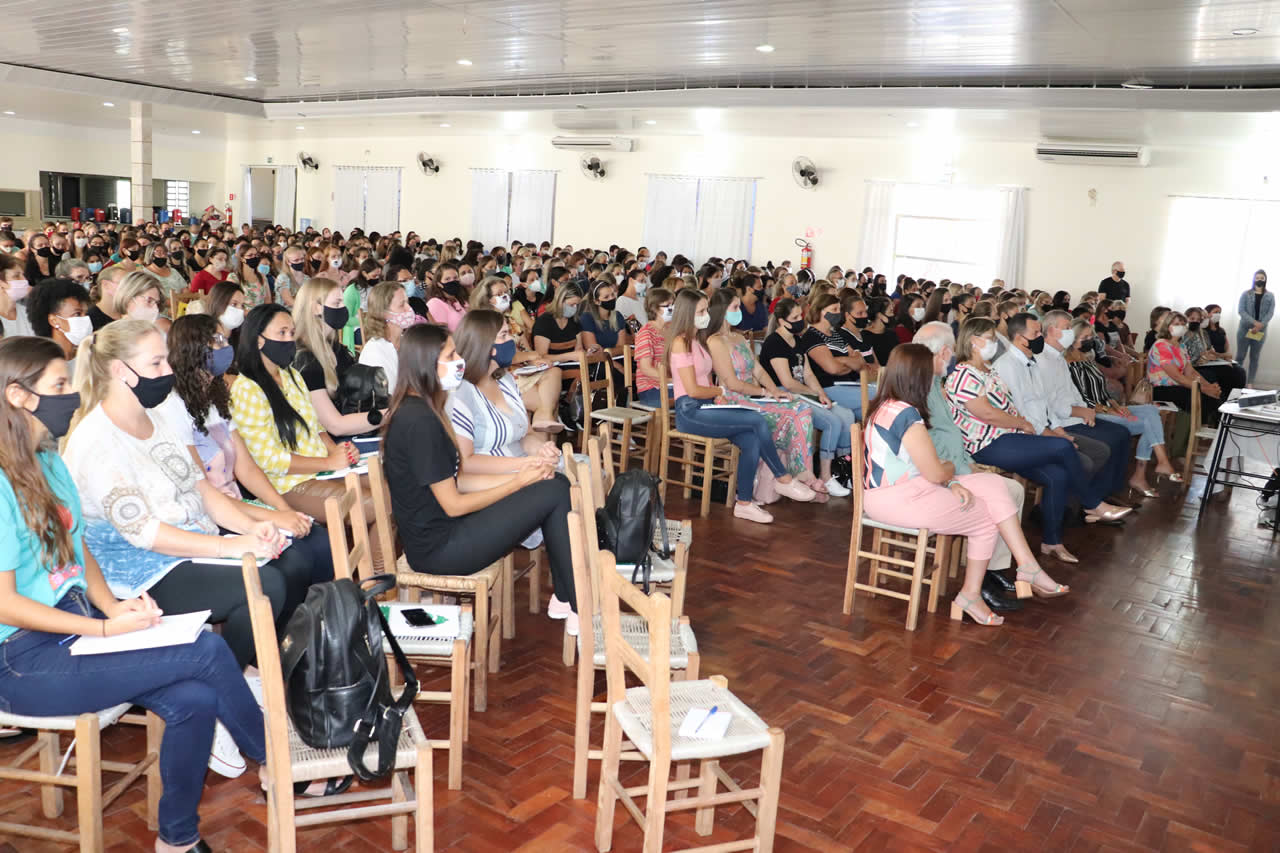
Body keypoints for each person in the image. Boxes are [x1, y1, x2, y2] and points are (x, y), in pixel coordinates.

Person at [0, 335, 266, 853]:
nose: (72, 398)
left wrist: (111, 606)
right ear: (18, 396)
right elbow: (5, 603)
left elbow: (81, 554)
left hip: (74, 628)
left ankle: (178, 840)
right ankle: (281, 763)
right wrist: (102, 628)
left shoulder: (47, 460)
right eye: (59, 386)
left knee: (194, 697)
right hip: (20, 658)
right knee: (207, 650)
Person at [62, 319, 307, 778]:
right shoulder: (95, 440)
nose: (167, 371)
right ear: (119, 371)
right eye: (155, 363)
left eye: (166, 360)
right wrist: (235, 549)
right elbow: (146, 533)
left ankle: (232, 682)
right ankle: (219, 699)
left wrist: (250, 533)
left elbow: (203, 493)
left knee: (287, 563)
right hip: (140, 573)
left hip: (187, 547)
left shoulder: (153, 418)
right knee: (263, 583)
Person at [382, 323, 581, 633]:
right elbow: (454, 505)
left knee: (553, 484)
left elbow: (457, 481)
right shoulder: (419, 420)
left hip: (446, 533)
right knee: (555, 490)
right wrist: (518, 483)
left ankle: (570, 600)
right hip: (441, 549)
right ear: (426, 363)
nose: (459, 360)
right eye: (450, 355)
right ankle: (578, 605)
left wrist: (525, 474)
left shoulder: (421, 409)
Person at [862, 344, 1067, 627]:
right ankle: (972, 594)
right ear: (919, 378)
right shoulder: (907, 415)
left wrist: (948, 479)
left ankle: (1027, 566)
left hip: (896, 492)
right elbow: (935, 470)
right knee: (985, 517)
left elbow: (927, 470)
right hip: (902, 498)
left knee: (993, 484)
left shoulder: (885, 406)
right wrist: (947, 476)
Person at [159, 314, 335, 587]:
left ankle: (318, 619)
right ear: (192, 348)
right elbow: (204, 492)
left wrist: (284, 509)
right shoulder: (174, 407)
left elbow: (246, 468)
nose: (225, 347)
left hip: (237, 502)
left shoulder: (214, 400)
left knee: (317, 541)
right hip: (211, 513)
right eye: (217, 341)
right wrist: (275, 517)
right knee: (293, 563)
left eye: (225, 340)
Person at [945, 317, 1131, 563]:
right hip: (986, 444)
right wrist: (1023, 423)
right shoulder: (964, 374)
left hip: (1009, 438)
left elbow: (1010, 406)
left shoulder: (987, 370)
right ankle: (1091, 503)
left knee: (1057, 475)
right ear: (973, 341)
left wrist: (1024, 424)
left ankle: (1052, 542)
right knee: (1063, 447)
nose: (993, 343)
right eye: (989, 338)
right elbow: (986, 413)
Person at [228, 305, 382, 567]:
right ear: (259, 340)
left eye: (292, 332)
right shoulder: (247, 388)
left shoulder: (292, 376)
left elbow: (316, 427)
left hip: (321, 470)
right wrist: (327, 463)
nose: (289, 340)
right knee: (378, 504)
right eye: (282, 333)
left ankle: (379, 576)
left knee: (392, 491)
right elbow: (266, 459)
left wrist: (337, 451)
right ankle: (375, 582)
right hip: (286, 484)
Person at [668, 288, 817, 524]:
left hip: (708, 406)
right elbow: (693, 390)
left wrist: (718, 396)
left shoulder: (698, 341)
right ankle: (783, 478)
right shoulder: (680, 343)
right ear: (688, 313)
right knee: (756, 420)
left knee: (753, 439)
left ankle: (744, 503)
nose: (707, 314)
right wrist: (720, 391)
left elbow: (705, 379)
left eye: (706, 309)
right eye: (702, 311)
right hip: (690, 411)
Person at [913, 322, 1028, 613]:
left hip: (954, 466)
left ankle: (992, 570)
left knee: (1010, 489)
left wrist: (968, 465)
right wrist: (961, 472)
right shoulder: (920, 389)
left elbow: (950, 435)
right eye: (948, 353)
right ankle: (982, 582)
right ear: (943, 352)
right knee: (1000, 495)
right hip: (937, 475)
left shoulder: (935, 383)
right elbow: (931, 445)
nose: (951, 358)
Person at [995, 313, 1134, 509]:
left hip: (1059, 421)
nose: (1071, 332)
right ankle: (1079, 505)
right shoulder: (1030, 361)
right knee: (1099, 448)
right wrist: (1061, 424)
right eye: (1067, 327)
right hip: (1053, 423)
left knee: (1121, 434)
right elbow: (1033, 407)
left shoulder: (1055, 358)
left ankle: (1098, 498)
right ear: (1052, 330)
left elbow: (1064, 393)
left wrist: (1085, 410)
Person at [703, 288, 827, 498]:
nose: (738, 311)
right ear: (722, 311)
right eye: (735, 307)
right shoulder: (715, 341)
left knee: (801, 408)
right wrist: (765, 393)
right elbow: (732, 384)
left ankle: (799, 474)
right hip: (732, 401)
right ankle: (798, 477)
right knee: (795, 413)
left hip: (751, 396)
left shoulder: (738, 337)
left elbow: (758, 370)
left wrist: (774, 391)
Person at [1063, 317, 1181, 495]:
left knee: (1151, 410)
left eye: (1090, 337)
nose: (1089, 341)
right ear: (1072, 338)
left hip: (1106, 406)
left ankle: (1152, 469)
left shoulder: (1087, 358)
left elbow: (1101, 389)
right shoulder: (1065, 363)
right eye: (1084, 337)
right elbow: (1081, 398)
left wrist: (1117, 405)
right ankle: (1147, 471)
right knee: (1150, 425)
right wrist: (1109, 410)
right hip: (1091, 412)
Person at [759, 297, 858, 495]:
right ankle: (826, 475)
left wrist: (821, 394)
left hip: (802, 392)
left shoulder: (797, 340)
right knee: (832, 422)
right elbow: (787, 382)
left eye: (800, 316)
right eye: (795, 317)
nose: (800, 320)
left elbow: (808, 374)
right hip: (785, 395)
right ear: (782, 321)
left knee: (846, 415)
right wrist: (813, 393)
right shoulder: (774, 343)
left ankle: (843, 471)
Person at [292, 277, 385, 437]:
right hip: (325, 444)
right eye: (337, 303)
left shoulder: (335, 348)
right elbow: (335, 425)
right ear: (316, 308)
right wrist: (390, 414)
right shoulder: (305, 359)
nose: (344, 308)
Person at [800, 292, 871, 419]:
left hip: (848, 384)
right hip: (829, 387)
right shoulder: (812, 336)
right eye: (834, 309)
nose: (838, 313)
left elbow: (860, 362)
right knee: (877, 395)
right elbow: (832, 368)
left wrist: (840, 359)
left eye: (839, 309)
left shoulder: (835, 334)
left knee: (871, 415)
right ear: (821, 311)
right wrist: (849, 363)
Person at [1148, 311, 1223, 423]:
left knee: (1214, 395)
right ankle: (1192, 433)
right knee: (1199, 397)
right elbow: (1177, 376)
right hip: (1161, 389)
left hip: (1177, 386)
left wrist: (1209, 386)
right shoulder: (1161, 345)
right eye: (1176, 324)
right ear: (1168, 326)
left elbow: (1190, 372)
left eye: (1183, 324)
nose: (1181, 327)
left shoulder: (1181, 346)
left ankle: (1213, 431)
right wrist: (1203, 389)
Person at [358, 281, 415, 394]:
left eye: (407, 302)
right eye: (401, 305)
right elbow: (387, 395)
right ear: (383, 313)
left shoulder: (406, 342)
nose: (409, 309)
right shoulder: (374, 353)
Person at [1182, 306, 1246, 399]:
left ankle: (1233, 399)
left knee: (1237, 371)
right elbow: (1189, 356)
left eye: (1198, 319)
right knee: (1223, 372)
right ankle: (1222, 400)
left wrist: (1214, 356)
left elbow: (1210, 350)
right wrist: (1203, 356)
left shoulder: (1204, 333)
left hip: (1206, 363)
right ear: (1186, 318)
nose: (1196, 321)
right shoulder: (1185, 333)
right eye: (1192, 319)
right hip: (1195, 365)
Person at [28, 278, 92, 363]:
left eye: (86, 313)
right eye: (77, 314)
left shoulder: (89, 356)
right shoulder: (43, 366)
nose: (85, 319)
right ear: (54, 321)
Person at [633, 287, 674, 408]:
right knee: (689, 398)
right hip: (651, 389)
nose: (672, 308)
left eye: (672, 304)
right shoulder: (646, 332)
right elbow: (645, 368)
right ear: (654, 308)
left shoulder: (671, 329)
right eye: (667, 305)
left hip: (670, 385)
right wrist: (670, 380)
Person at [1237, 270, 1273, 384]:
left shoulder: (1270, 296)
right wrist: (1254, 322)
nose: (1259, 280)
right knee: (1240, 356)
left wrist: (1260, 325)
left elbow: (1270, 313)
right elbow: (1241, 311)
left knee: (1255, 357)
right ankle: (1237, 380)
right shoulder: (1245, 294)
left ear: (1265, 279)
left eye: (1262, 278)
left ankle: (1250, 382)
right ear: (1253, 279)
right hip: (1244, 329)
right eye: (1257, 277)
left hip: (1260, 331)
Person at [426, 262, 469, 331]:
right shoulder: (435, 303)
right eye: (447, 279)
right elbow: (440, 333)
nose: (452, 281)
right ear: (439, 284)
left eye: (455, 278)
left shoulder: (460, 299)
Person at [861, 297, 899, 366]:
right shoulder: (865, 336)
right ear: (879, 315)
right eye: (890, 312)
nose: (893, 315)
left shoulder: (891, 333)